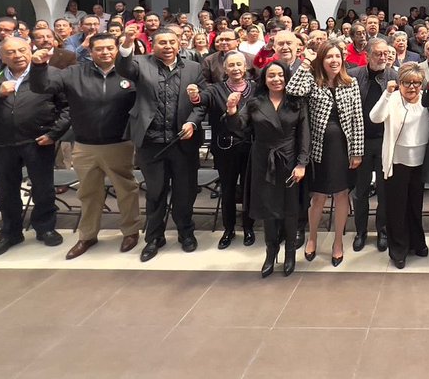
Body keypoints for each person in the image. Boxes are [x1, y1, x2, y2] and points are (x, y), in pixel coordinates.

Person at [30, 33, 142, 259]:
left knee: (126, 191)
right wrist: (39, 66)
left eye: (109, 48)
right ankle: (88, 235)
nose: (105, 52)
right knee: (88, 193)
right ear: (90, 52)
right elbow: (42, 87)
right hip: (84, 145)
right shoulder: (74, 73)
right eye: (99, 49)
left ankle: (131, 232)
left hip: (119, 143)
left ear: (116, 49)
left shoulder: (130, 73)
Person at [0, 36, 67, 258]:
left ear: (30, 50)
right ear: (1, 56)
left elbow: (67, 107)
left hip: (38, 141)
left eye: (22, 50)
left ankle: (45, 228)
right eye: (10, 52)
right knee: (6, 192)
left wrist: (54, 133)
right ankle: (10, 233)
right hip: (1, 143)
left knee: (43, 188)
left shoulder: (51, 73)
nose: (17, 55)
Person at [116, 27, 207, 261]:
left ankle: (186, 232)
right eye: (162, 43)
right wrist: (127, 42)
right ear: (152, 45)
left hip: (182, 143)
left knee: (185, 192)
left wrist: (192, 122)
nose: (167, 46)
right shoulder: (139, 63)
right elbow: (123, 68)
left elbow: (201, 102)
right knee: (155, 193)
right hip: (151, 142)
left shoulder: (194, 67)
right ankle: (154, 238)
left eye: (172, 42)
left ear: (179, 44)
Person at [226, 60, 308, 277]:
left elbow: (304, 135)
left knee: (290, 209)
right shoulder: (255, 102)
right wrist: (232, 110)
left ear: (287, 77)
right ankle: (271, 252)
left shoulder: (297, 102)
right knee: (268, 209)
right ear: (264, 79)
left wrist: (302, 163)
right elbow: (239, 127)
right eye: (271, 75)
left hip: (290, 160)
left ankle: (290, 253)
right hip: (263, 160)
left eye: (280, 75)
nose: (276, 79)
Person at [286, 41, 364, 267]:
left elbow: (357, 118)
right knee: (318, 196)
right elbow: (292, 91)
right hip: (318, 149)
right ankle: (312, 238)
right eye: (329, 56)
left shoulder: (351, 83)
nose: (334, 60)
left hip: (343, 148)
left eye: (337, 56)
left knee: (341, 195)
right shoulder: (312, 81)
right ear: (321, 60)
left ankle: (338, 242)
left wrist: (357, 152)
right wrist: (306, 63)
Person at [371, 64, 429, 268]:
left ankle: (416, 242)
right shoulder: (393, 98)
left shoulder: (426, 99)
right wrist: (387, 94)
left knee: (415, 204)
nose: (412, 87)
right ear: (399, 83)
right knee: (397, 207)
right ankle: (398, 249)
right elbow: (375, 117)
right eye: (407, 83)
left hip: (420, 162)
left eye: (416, 83)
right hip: (397, 162)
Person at [201, 50, 258, 249]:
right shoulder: (215, 90)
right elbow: (200, 100)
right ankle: (229, 229)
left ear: (245, 67)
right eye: (231, 65)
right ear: (225, 69)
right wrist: (194, 96)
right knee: (227, 189)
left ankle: (249, 227)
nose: (235, 68)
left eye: (239, 64)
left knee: (249, 189)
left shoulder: (256, 88)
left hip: (251, 146)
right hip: (225, 147)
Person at [350, 38, 395, 252]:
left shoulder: (394, 77)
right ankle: (360, 231)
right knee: (360, 190)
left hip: (386, 141)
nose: (383, 57)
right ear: (367, 55)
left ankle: (382, 230)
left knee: (385, 191)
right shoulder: (354, 76)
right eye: (378, 53)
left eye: (386, 53)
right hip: (361, 142)